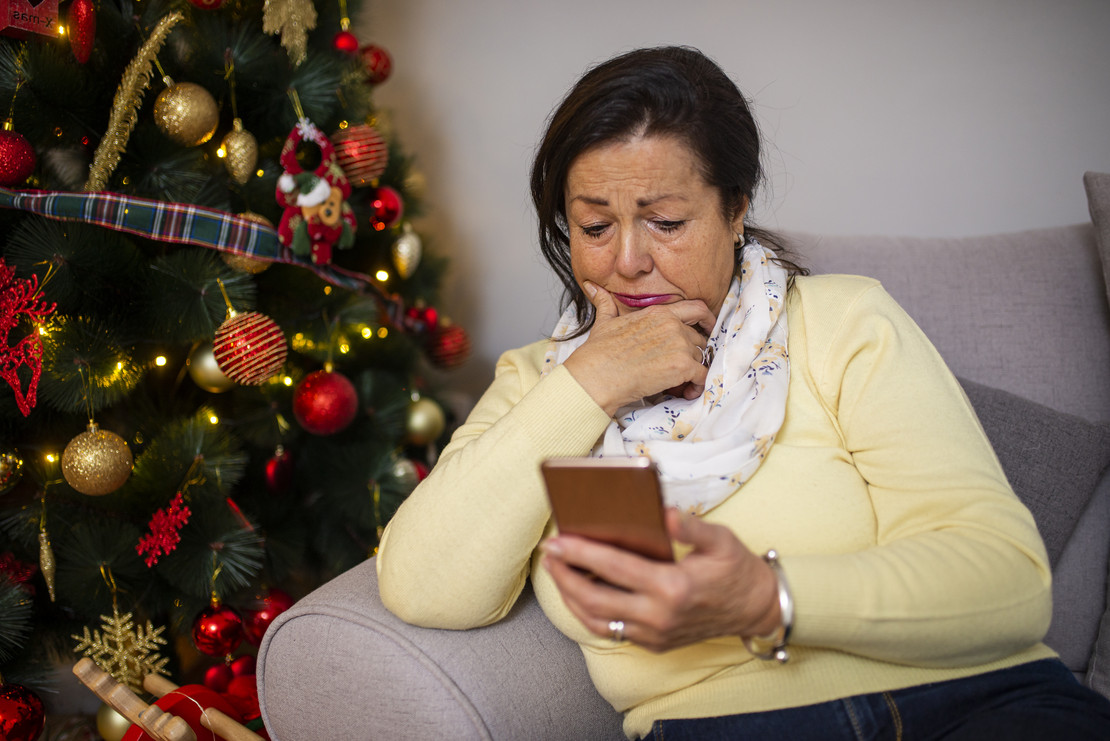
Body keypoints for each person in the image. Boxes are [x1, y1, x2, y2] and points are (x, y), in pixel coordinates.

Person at [376, 46, 1110, 740]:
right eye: (595, 225)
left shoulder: (840, 320)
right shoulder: (542, 382)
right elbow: (424, 585)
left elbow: (1008, 583)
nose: (628, 260)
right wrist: (595, 378)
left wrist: (766, 597)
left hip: (980, 700)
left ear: (735, 208)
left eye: (666, 222)